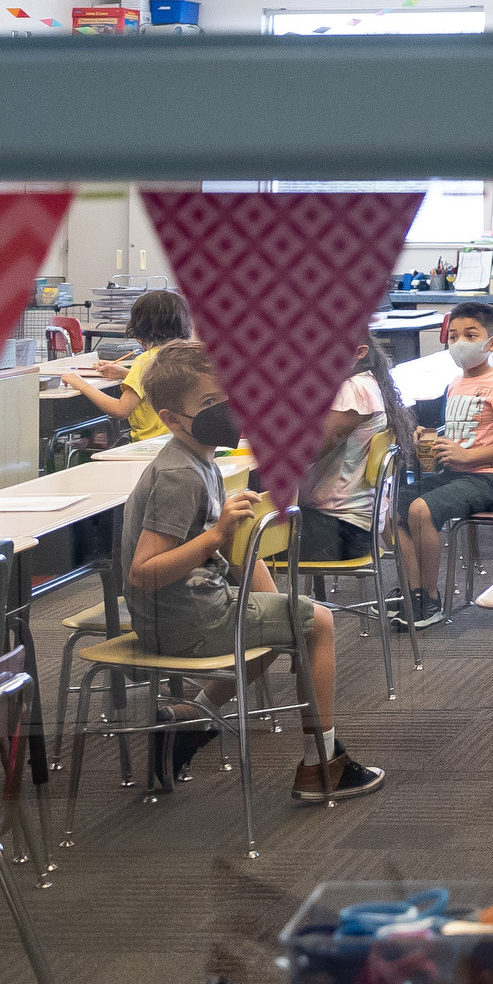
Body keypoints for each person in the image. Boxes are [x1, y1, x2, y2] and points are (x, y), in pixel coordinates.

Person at [122, 344, 384, 803]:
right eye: (208, 403)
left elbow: (238, 558)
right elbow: (142, 573)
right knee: (319, 624)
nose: (226, 409)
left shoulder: (198, 459)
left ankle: (193, 717)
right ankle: (323, 766)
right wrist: (216, 537)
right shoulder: (180, 475)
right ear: (171, 419)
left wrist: (273, 602)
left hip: (182, 614)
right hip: (184, 620)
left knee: (286, 628)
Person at [395, 303, 493, 627]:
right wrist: (426, 434)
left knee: (422, 510)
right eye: (453, 336)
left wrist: (467, 457)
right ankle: (414, 593)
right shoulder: (454, 384)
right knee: (390, 507)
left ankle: (431, 600)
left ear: (492, 343)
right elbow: (460, 431)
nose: (459, 343)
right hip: (456, 475)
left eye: (470, 335)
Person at [63, 287, 191, 442]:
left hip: (149, 444)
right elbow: (161, 382)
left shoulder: (145, 361)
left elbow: (121, 410)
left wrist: (82, 384)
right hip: (181, 441)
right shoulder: (184, 354)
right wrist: (125, 374)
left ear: (140, 326)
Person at [294, 356, 387, 565]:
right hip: (350, 524)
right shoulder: (365, 381)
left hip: (341, 529)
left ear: (360, 351)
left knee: (242, 542)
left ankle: (272, 598)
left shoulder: (354, 390)